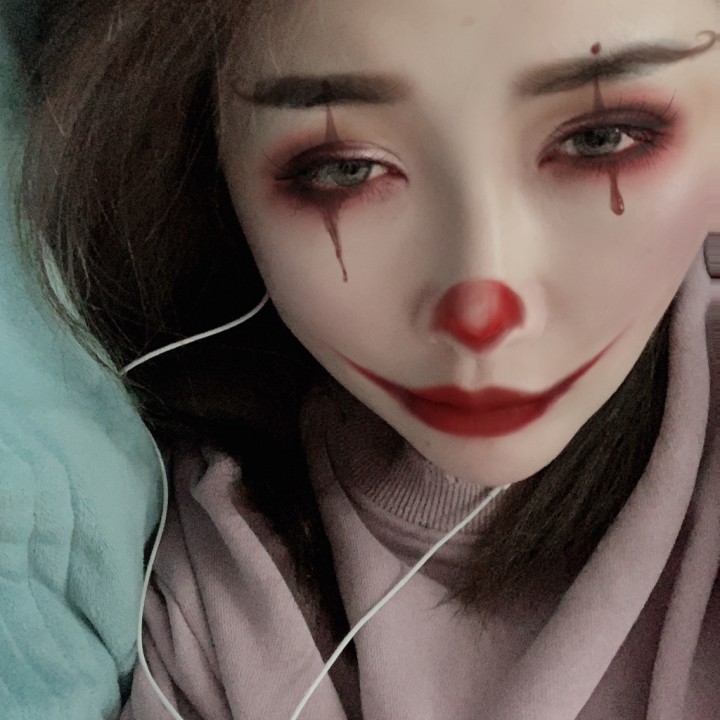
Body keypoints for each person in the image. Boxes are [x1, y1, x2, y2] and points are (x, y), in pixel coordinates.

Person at [17, 0, 720, 717]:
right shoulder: (203, 578)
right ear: (217, 169)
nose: (483, 308)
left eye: (602, 139)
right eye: (346, 167)